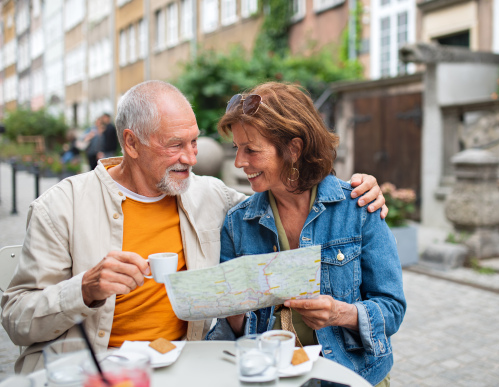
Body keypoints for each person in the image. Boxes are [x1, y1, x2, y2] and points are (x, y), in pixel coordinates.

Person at [0, 80, 387, 374]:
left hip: (181, 368)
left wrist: (357, 190)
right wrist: (84, 289)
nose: (191, 158)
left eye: (194, 142)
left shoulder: (209, 196)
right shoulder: (61, 207)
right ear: (132, 144)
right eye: (175, 145)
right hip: (90, 369)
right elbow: (17, 320)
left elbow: (289, 199)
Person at [206, 82, 406, 387]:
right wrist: (232, 310)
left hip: (353, 377)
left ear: (294, 149)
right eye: (237, 148)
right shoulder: (238, 223)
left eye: (251, 150)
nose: (239, 162)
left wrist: (340, 313)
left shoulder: (358, 207)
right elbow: (229, 334)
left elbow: (392, 309)